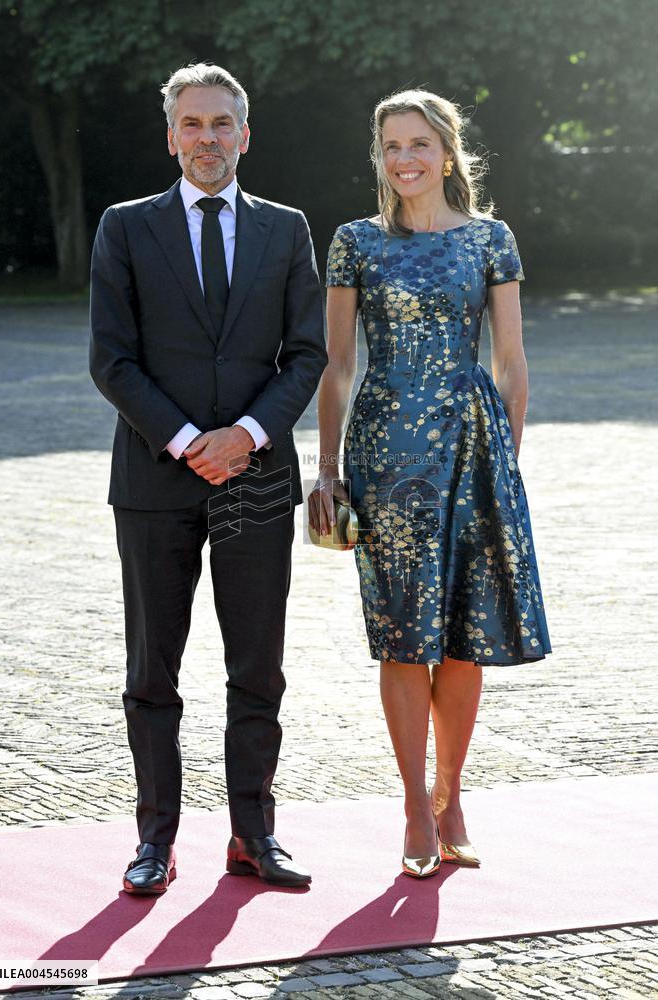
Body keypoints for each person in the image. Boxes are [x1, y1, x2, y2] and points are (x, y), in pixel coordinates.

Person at [90, 62, 327, 894]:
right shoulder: (125, 226)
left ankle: (253, 835)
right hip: (155, 481)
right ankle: (155, 841)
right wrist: (193, 441)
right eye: (192, 124)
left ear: (245, 135)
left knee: (257, 666)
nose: (207, 139)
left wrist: (248, 436)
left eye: (222, 123)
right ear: (171, 136)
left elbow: (306, 354)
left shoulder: (287, 228)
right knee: (153, 671)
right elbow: (111, 361)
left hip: (258, 478)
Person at [309, 89, 551, 878]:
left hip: (473, 451)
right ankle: (413, 802)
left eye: (418, 143)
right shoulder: (354, 242)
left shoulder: (490, 238)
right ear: (378, 157)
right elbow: (338, 365)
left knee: (464, 633)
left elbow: (510, 362)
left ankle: (452, 795)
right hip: (386, 458)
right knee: (402, 633)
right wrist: (328, 470)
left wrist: (506, 466)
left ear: (446, 152)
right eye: (390, 146)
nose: (404, 158)